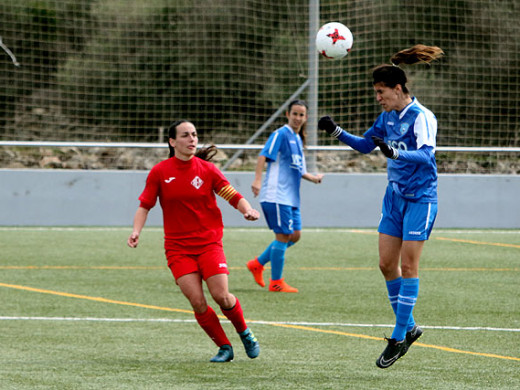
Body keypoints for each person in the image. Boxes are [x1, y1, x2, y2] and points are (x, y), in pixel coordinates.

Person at [318, 45, 443, 368]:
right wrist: (336, 131)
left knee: (409, 266)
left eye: (381, 91)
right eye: (376, 92)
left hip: (420, 199)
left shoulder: (422, 117)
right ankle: (410, 325)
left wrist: (396, 153)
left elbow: (427, 155)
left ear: (398, 89)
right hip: (394, 198)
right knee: (387, 265)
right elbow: (365, 145)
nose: (378, 97)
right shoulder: (386, 117)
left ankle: (400, 335)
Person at [127, 120, 260, 363]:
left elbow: (232, 195)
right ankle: (224, 347)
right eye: (186, 135)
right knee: (198, 302)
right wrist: (136, 231)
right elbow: (145, 205)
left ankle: (245, 333)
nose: (192, 139)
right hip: (178, 249)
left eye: (195, 135)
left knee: (222, 296)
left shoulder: (207, 169)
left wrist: (247, 209)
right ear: (172, 141)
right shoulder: (160, 172)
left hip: (209, 243)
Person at [247, 99, 324, 293]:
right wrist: (257, 180)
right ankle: (276, 282)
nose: (298, 118)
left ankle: (258, 263)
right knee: (283, 236)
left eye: (301, 115)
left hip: (290, 198)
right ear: (287, 115)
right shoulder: (280, 134)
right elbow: (263, 155)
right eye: (295, 114)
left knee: (295, 235)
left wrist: (314, 179)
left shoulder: (298, 140)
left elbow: (299, 170)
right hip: (276, 196)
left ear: (306, 117)